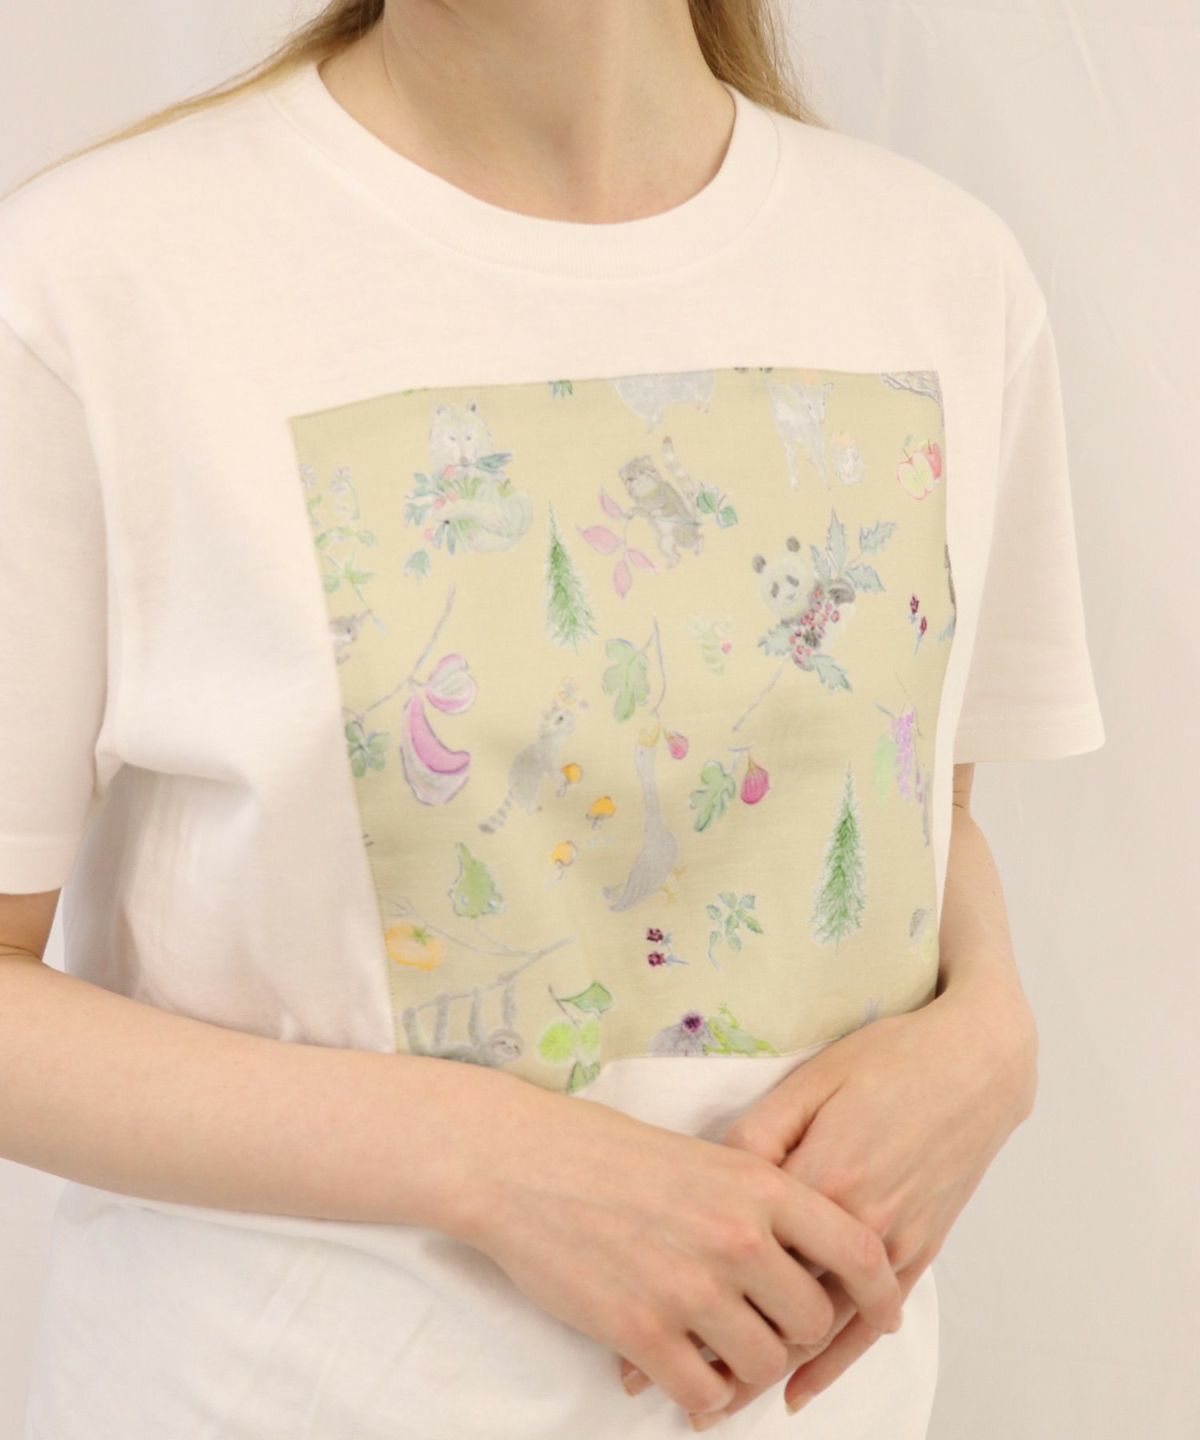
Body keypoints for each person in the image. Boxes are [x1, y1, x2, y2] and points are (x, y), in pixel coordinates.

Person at [0, 2, 1106, 1437]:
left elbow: (916, 819)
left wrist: (992, 1030)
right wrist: (492, 1163)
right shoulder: (94, 281)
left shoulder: (937, 268)